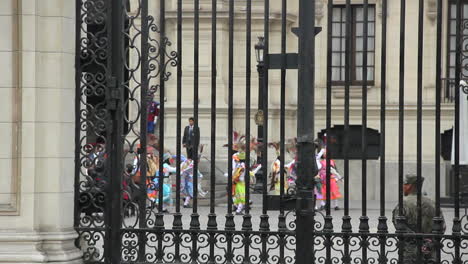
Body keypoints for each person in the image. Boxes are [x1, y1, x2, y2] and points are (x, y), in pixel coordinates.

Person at [392, 173, 446, 264]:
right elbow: (441, 226)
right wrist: (428, 242)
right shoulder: (432, 203)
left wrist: (417, 240)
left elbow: (399, 226)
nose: (402, 187)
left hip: (410, 253)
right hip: (430, 251)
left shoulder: (403, 204)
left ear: (410, 186)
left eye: (405, 184)